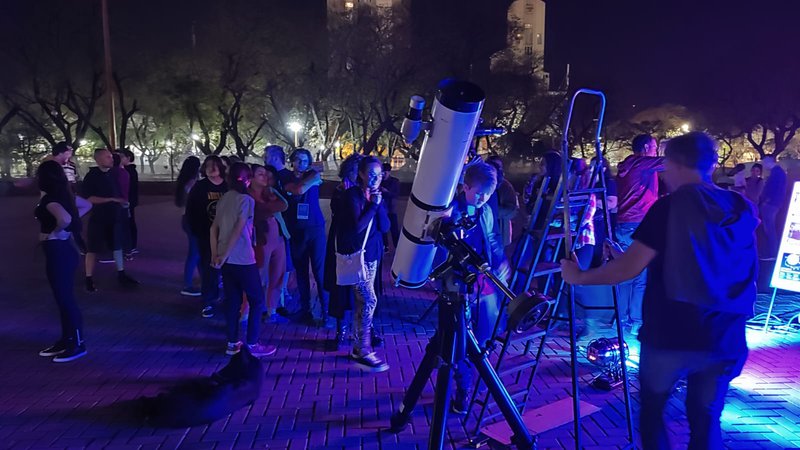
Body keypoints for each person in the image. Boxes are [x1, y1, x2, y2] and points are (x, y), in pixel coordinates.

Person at [560, 132, 758, 450]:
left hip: (672, 334)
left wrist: (579, 277)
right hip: (725, 335)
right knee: (706, 420)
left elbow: (627, 270)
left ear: (673, 164)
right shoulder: (740, 206)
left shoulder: (669, 207)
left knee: (652, 416)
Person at [448, 162, 510, 414]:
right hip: (461, 284)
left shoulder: (485, 210)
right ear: (465, 187)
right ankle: (463, 386)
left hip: (484, 283)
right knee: (460, 340)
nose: (484, 199)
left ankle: (476, 375)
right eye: (480, 193)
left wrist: (501, 261)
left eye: (489, 194)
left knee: (485, 334)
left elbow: (492, 237)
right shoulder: (453, 212)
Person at [210, 162, 276, 357]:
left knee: (232, 301)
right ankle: (253, 344)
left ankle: (232, 343)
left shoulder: (224, 198)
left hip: (225, 260)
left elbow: (213, 228)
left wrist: (216, 255)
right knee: (256, 300)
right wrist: (224, 254)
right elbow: (238, 230)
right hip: (243, 258)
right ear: (247, 179)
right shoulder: (246, 200)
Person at [35, 160, 92, 362]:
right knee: (62, 297)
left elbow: (65, 219)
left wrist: (56, 231)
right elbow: (86, 205)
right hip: (63, 250)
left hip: (58, 250)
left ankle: (77, 343)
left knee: (65, 298)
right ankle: (67, 339)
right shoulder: (64, 194)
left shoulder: (51, 199)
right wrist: (68, 224)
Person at [336, 156, 390, 371]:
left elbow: (385, 227)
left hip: (372, 255)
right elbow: (358, 227)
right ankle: (363, 349)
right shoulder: (352, 195)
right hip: (357, 256)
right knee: (369, 300)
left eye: (379, 175)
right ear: (361, 174)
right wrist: (373, 206)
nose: (376, 179)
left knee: (363, 302)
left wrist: (379, 204)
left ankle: (360, 346)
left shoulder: (378, 196)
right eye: (372, 175)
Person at [615, 134, 664, 335]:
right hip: (638, 224)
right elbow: (670, 162)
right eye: (654, 147)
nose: (656, 151)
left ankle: (621, 320)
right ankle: (636, 322)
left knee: (626, 274)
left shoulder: (629, 165)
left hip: (624, 225)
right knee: (641, 278)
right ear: (645, 148)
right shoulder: (641, 163)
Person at [278, 148, 329, 325]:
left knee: (319, 272)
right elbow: (297, 189)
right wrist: (304, 184)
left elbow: (308, 181)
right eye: (298, 160)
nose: (301, 163)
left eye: (305, 160)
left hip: (315, 229)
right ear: (292, 161)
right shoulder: (286, 178)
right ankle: (305, 309)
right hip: (296, 230)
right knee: (300, 272)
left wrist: (306, 182)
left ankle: (326, 311)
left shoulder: (312, 174)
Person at [81, 148, 139, 292]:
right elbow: (88, 198)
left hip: (114, 215)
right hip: (98, 217)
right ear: (98, 159)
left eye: (111, 157)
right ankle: (88, 278)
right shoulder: (92, 176)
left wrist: (121, 202)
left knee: (117, 246)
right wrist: (111, 199)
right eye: (107, 157)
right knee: (92, 248)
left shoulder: (113, 174)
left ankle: (121, 273)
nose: (111, 159)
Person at [185, 155, 228, 318]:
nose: (212, 168)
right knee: (208, 268)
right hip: (205, 234)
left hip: (226, 234)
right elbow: (190, 210)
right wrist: (196, 230)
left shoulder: (227, 186)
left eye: (215, 165)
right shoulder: (200, 187)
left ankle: (227, 299)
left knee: (227, 269)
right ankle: (208, 301)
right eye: (208, 165)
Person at [326, 154, 361, 350]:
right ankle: (341, 331)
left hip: (362, 244)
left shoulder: (366, 190)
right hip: (343, 242)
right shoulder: (341, 191)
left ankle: (366, 330)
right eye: (355, 171)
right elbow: (341, 213)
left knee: (363, 289)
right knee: (342, 288)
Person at [248, 164, 288, 323]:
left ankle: (272, 310)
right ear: (251, 178)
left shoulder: (269, 192)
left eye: (266, 174)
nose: (265, 177)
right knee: (258, 276)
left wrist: (272, 194)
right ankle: (248, 311)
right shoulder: (247, 196)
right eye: (260, 174)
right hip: (260, 239)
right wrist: (270, 205)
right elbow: (262, 211)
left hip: (278, 237)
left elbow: (284, 205)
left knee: (278, 274)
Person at [264, 145, 294, 316]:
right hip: (270, 230)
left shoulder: (288, 177)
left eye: (267, 156)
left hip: (285, 228)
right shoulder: (265, 180)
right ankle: (273, 300)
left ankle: (279, 297)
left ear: (275, 157)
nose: (265, 159)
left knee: (283, 265)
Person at [175, 156, 202, 296]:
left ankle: (200, 279)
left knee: (197, 251)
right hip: (193, 219)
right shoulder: (193, 183)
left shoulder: (184, 181)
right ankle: (187, 284)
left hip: (187, 218)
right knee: (195, 252)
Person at [486, 155, 519, 248]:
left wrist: (492, 211)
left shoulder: (505, 186)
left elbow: (513, 210)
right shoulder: (483, 182)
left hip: (500, 230)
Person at [759, 155, 787, 258]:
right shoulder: (777, 172)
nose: (763, 165)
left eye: (764, 162)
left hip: (771, 204)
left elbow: (774, 189)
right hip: (773, 203)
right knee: (769, 227)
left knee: (769, 228)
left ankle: (772, 253)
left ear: (769, 161)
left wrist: (766, 201)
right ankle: (771, 252)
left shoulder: (777, 173)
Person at [119, 149, 140, 256]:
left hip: (128, 201)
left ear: (128, 158)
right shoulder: (122, 170)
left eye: (121, 156)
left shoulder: (129, 171)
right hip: (126, 200)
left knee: (129, 222)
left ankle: (131, 245)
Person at [380, 162, 401, 248]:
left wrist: (386, 192)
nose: (384, 175)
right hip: (382, 208)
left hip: (391, 208)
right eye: (382, 172)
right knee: (383, 229)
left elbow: (396, 194)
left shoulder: (394, 181)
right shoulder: (379, 181)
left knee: (394, 229)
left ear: (389, 172)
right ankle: (385, 246)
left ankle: (397, 246)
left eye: (385, 172)